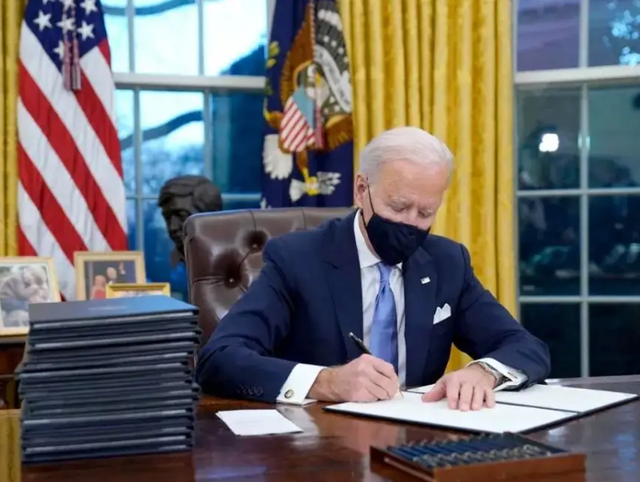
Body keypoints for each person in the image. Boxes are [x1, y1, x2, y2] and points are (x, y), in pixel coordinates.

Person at [195, 127, 551, 411]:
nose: (410, 223)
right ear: (361, 189)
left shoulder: (447, 263)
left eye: (425, 213)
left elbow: (525, 346)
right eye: (398, 206)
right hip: (320, 444)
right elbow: (219, 359)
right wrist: (326, 382)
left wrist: (484, 371)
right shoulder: (297, 260)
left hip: (419, 441)